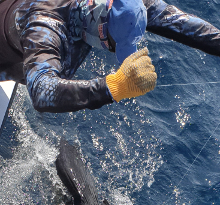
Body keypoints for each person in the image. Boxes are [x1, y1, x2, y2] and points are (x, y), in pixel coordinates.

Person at [0, 0, 219, 114]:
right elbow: (41, 91)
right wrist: (113, 86)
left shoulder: (124, 6)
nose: (113, 51)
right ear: (100, 29)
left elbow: (180, 23)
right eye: (112, 46)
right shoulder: (45, 26)